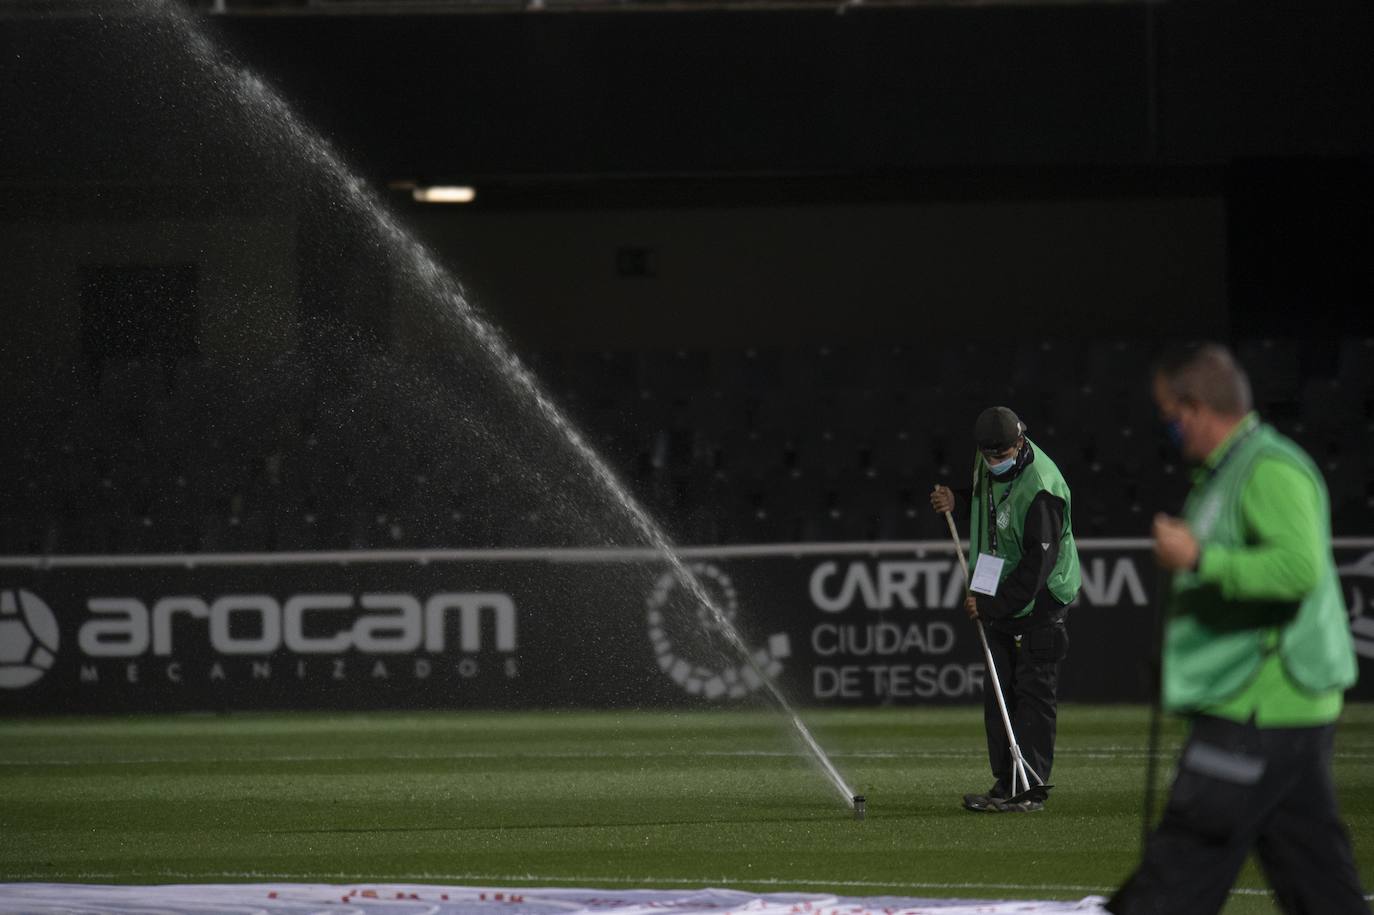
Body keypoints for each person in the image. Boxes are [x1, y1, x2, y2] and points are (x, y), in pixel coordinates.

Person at [1108, 344, 1367, 915]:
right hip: (1273, 710)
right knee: (1320, 886)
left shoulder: (1269, 469)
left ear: (1197, 408)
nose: (1170, 430)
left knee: (1175, 878)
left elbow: (1299, 570)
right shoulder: (1230, 471)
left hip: (1257, 706)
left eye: (1171, 416)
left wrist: (1200, 557)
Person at [930, 405, 1081, 813]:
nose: (996, 461)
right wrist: (957, 500)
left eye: (1003, 454)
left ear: (1020, 441)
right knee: (999, 690)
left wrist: (992, 605)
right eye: (990, 455)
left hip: (1042, 598)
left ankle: (1030, 788)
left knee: (1033, 692)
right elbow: (989, 506)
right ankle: (1006, 783)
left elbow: (1038, 566)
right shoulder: (985, 460)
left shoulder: (1042, 488)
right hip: (995, 584)